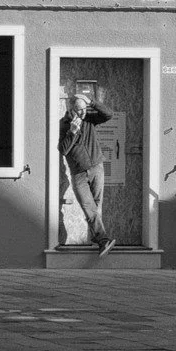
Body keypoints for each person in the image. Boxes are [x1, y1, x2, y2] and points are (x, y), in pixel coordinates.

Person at [59, 91, 114, 254]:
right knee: (88, 206)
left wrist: (91, 102)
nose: (82, 113)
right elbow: (63, 150)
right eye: (78, 110)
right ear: (72, 108)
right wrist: (72, 132)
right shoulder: (64, 124)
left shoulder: (89, 119)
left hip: (96, 167)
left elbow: (108, 115)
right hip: (79, 174)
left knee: (96, 206)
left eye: (84, 109)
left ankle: (98, 240)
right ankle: (104, 240)